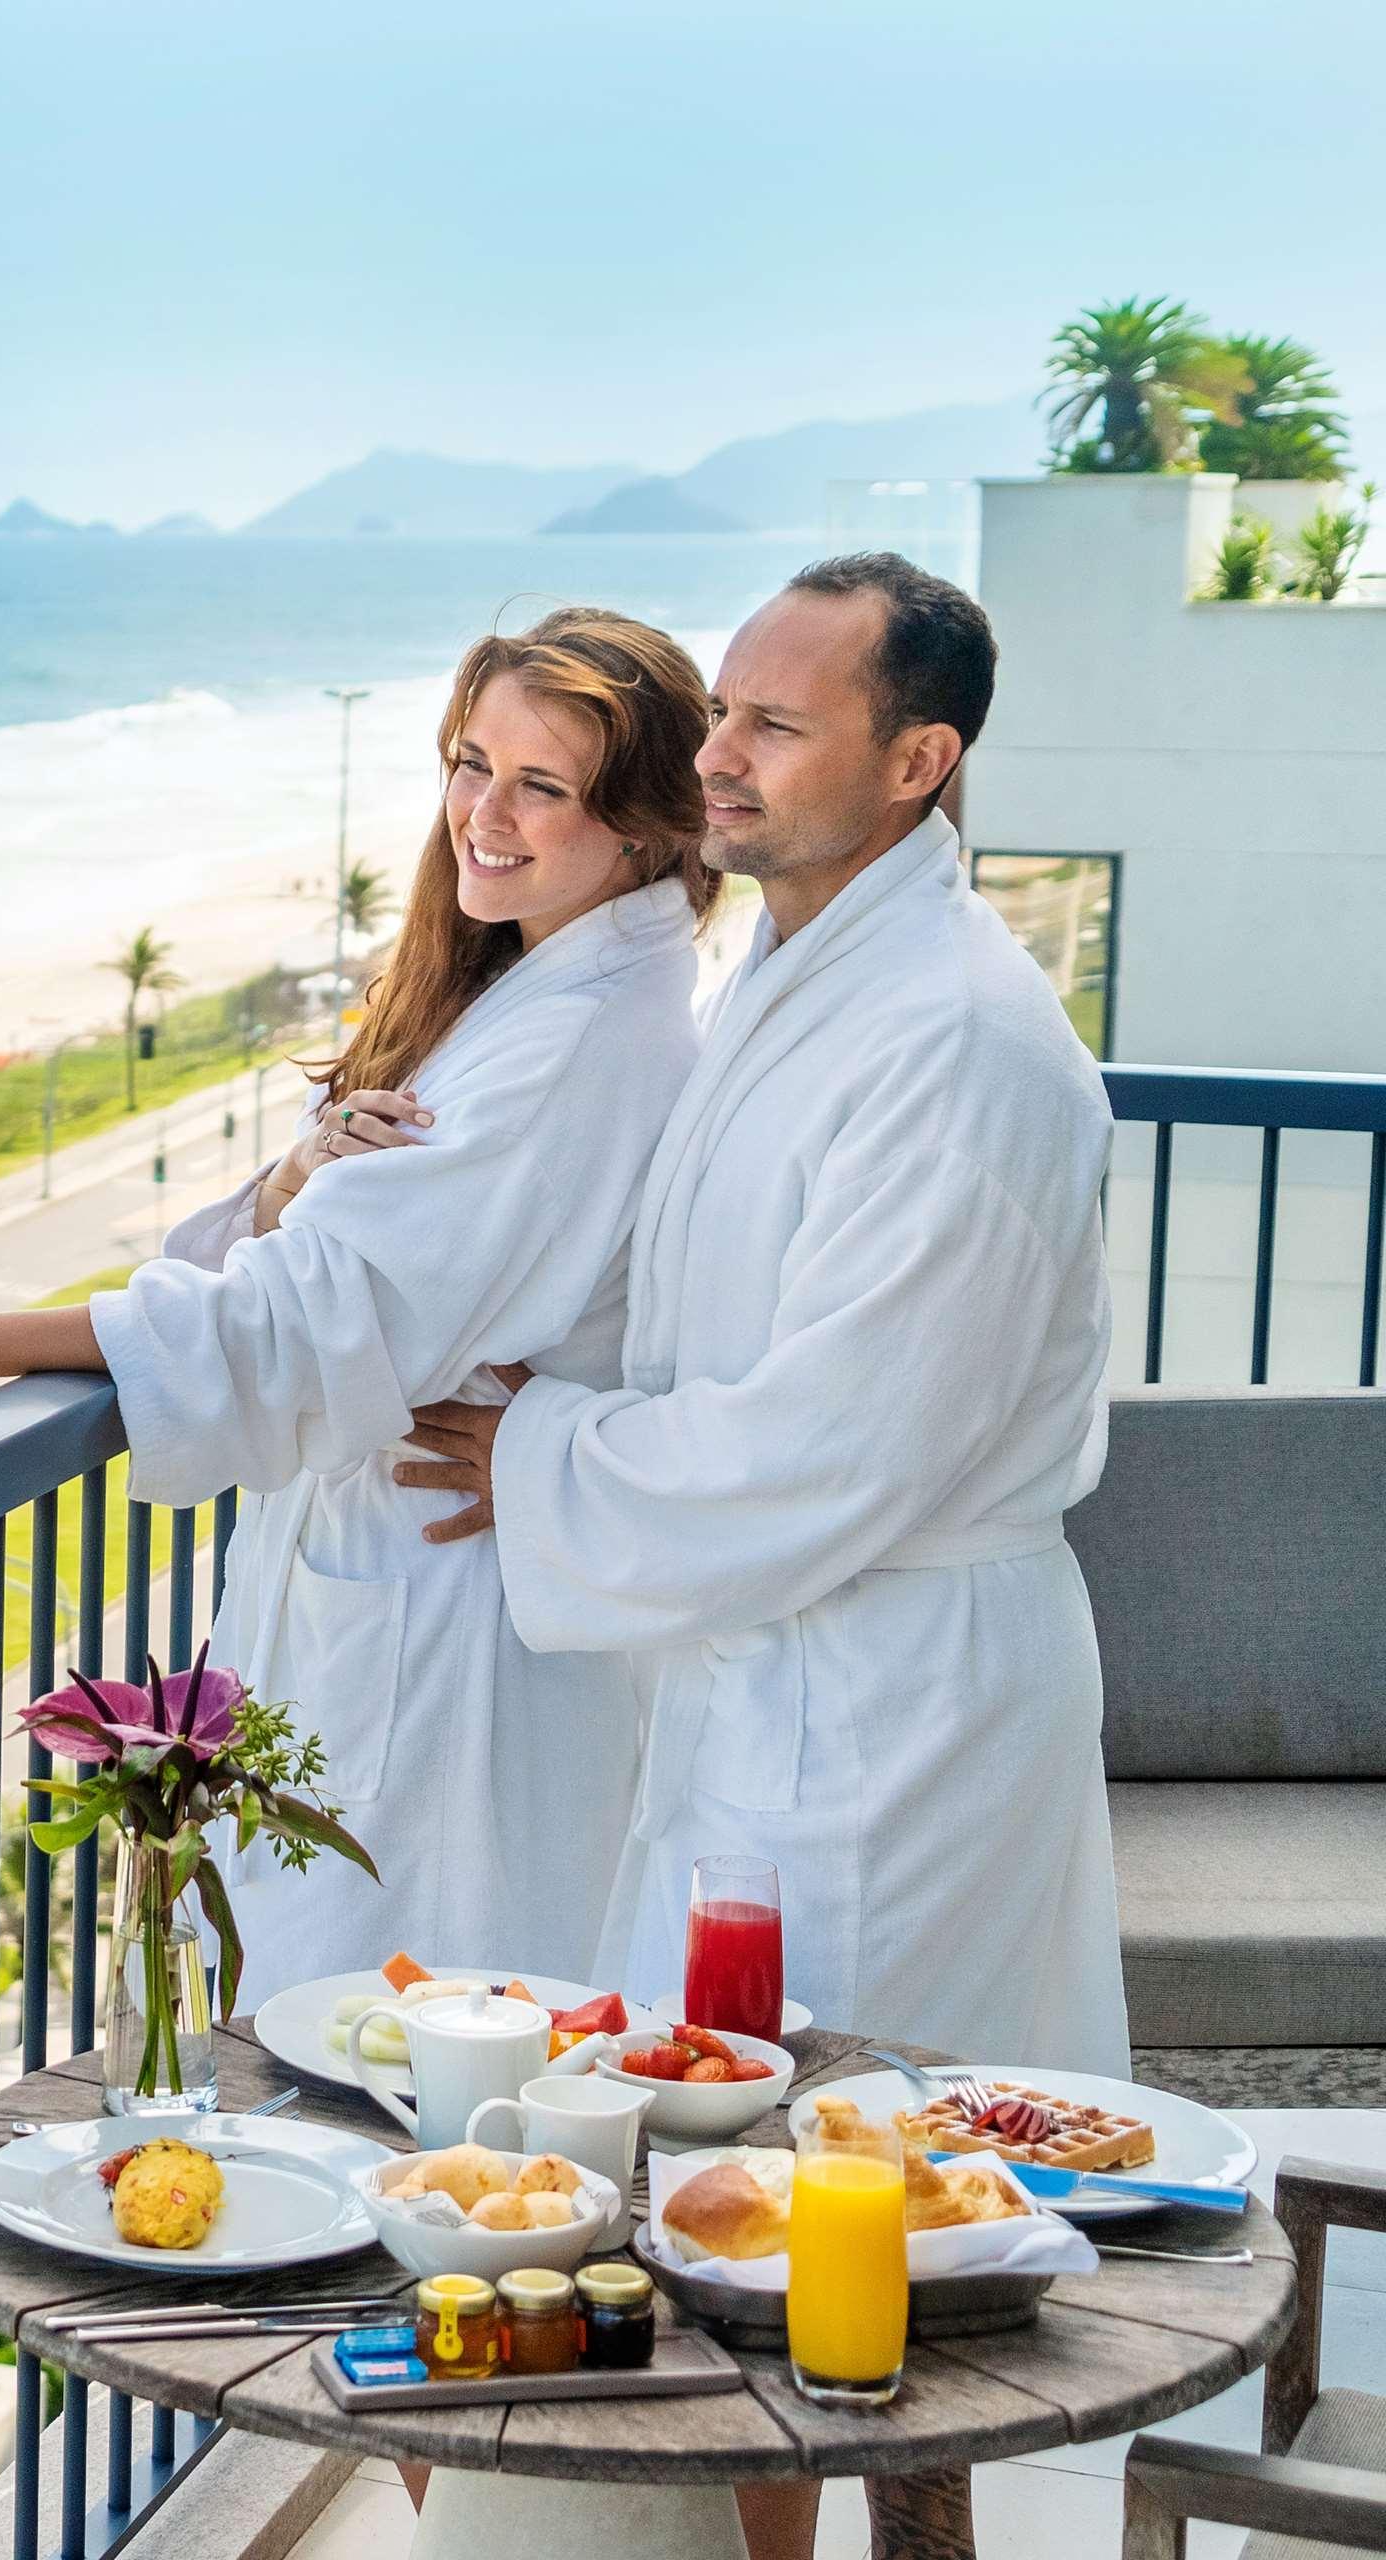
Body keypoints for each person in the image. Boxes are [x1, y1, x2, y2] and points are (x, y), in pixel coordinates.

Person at [0, 608, 713, 1990]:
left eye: (543, 785)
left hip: (450, 1620)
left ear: (642, 826)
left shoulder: (576, 1042)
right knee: (384, 2002)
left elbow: (283, 1326)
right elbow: (300, 1255)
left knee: (389, 2011)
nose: (484, 814)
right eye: (471, 763)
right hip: (420, 1578)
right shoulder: (531, 986)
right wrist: (289, 1187)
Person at [399, 554, 1127, 2084]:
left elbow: (840, 1443)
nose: (717, 755)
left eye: (776, 727)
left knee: (866, 2143)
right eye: (722, 712)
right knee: (740, 2135)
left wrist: (534, 1449)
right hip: (779, 1669)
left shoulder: (961, 1044)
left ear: (918, 763)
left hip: (888, 1708)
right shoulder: (796, 975)